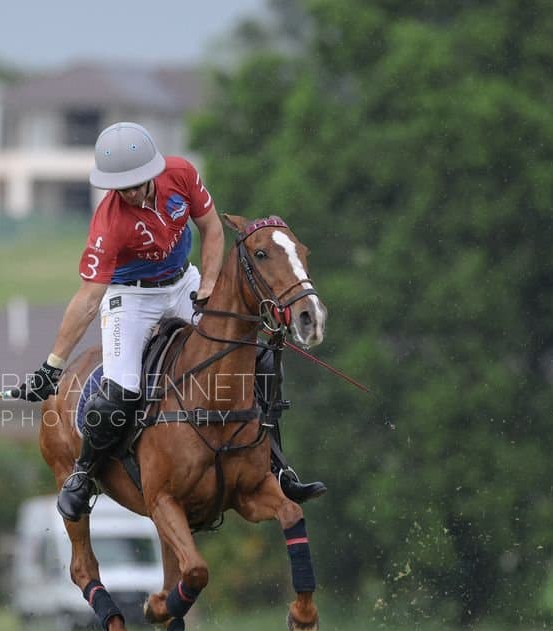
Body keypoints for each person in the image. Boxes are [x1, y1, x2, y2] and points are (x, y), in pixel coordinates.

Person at [18, 122, 324, 521]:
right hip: (131, 299)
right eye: (120, 186)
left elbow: (212, 228)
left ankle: (276, 467)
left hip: (184, 283)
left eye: (136, 182)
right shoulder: (109, 223)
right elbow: (90, 296)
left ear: (152, 172)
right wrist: (53, 365)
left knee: (254, 360)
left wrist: (210, 283)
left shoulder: (180, 174)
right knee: (121, 390)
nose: (129, 192)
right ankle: (82, 474)